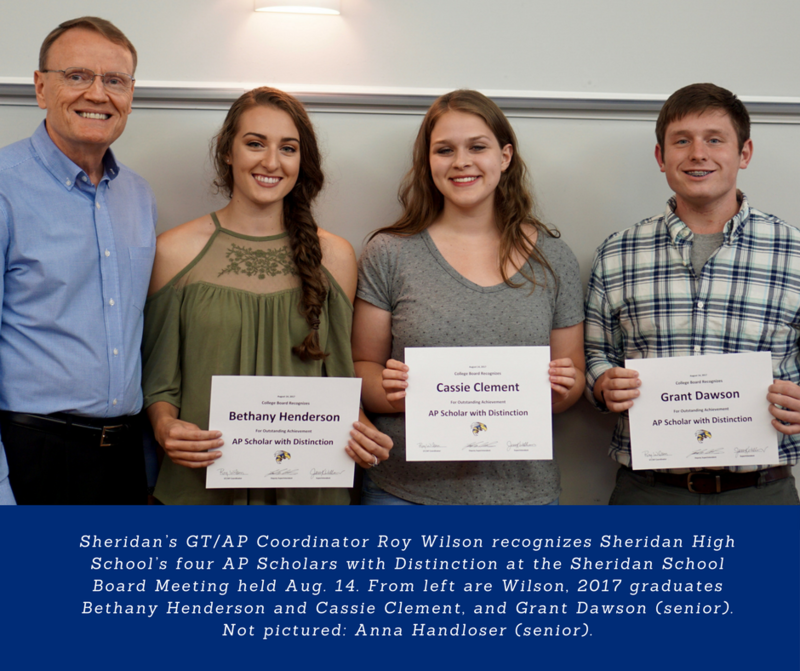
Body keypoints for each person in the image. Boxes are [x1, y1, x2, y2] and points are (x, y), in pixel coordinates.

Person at [143, 87, 392, 505]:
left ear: (301, 161)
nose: (271, 162)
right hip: (201, 489)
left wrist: (363, 428)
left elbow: (340, 381)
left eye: (288, 148)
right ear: (228, 151)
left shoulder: (336, 256)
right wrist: (164, 425)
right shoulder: (173, 251)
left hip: (310, 491)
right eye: (255, 143)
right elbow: (159, 384)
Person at [352, 90, 585, 505]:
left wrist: (561, 390)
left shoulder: (553, 258)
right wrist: (394, 392)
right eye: (444, 150)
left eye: (477, 147)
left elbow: (572, 384)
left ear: (505, 156)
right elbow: (361, 369)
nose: (461, 162)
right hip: (403, 494)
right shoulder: (389, 252)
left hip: (523, 498)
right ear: (428, 161)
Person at [585, 83, 800, 505]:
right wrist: (602, 385)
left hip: (762, 494)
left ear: (745, 153)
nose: (698, 153)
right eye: (681, 141)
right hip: (647, 493)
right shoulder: (617, 252)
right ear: (661, 157)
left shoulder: (794, 253)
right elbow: (595, 356)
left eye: (714, 140)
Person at [0, 17, 156, 505]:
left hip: (125, 456)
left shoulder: (138, 194)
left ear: (130, 94)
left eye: (115, 81)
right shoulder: (4, 187)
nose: (98, 93)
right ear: (41, 87)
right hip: (31, 455)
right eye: (77, 76)